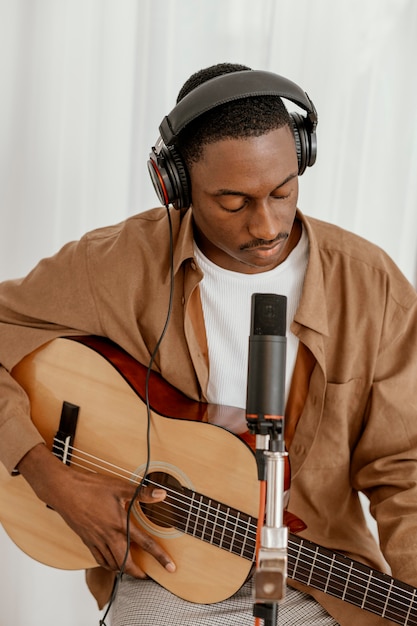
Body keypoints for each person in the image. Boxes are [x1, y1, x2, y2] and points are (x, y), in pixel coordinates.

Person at [0, 62, 416, 626]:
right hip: (164, 563)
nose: (268, 225)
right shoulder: (112, 264)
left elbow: (404, 466)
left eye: (283, 190)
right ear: (176, 186)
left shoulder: (370, 284)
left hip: (315, 575)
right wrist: (53, 479)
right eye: (233, 202)